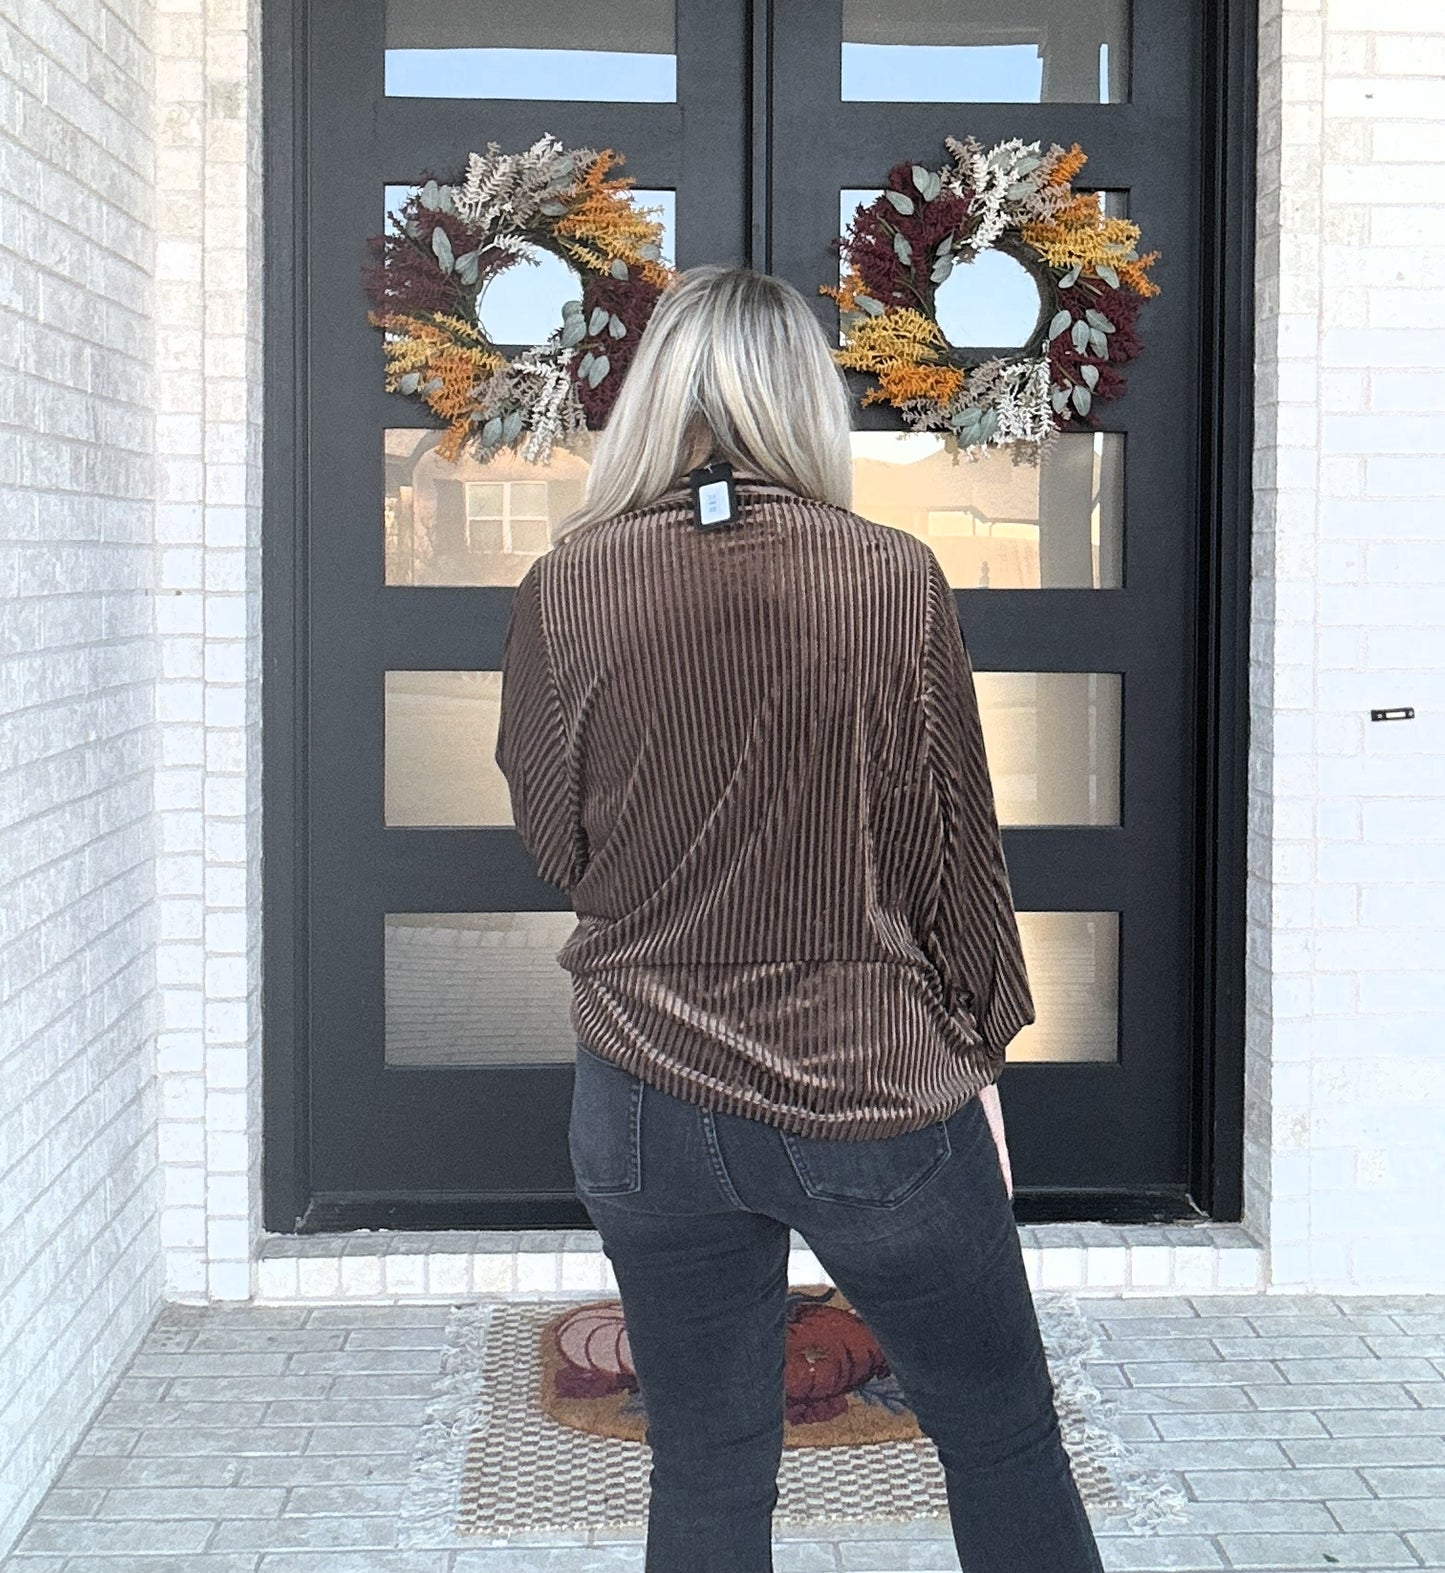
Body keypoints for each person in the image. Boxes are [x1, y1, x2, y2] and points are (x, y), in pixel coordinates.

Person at [494, 263, 1105, 1573]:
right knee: (999, 1436)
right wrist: (983, 1041)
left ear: (656, 394)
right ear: (801, 401)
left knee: (707, 1467)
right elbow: (954, 844)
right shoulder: (884, 575)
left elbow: (556, 839)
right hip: (867, 1088)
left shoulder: (568, 582)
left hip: (643, 1091)